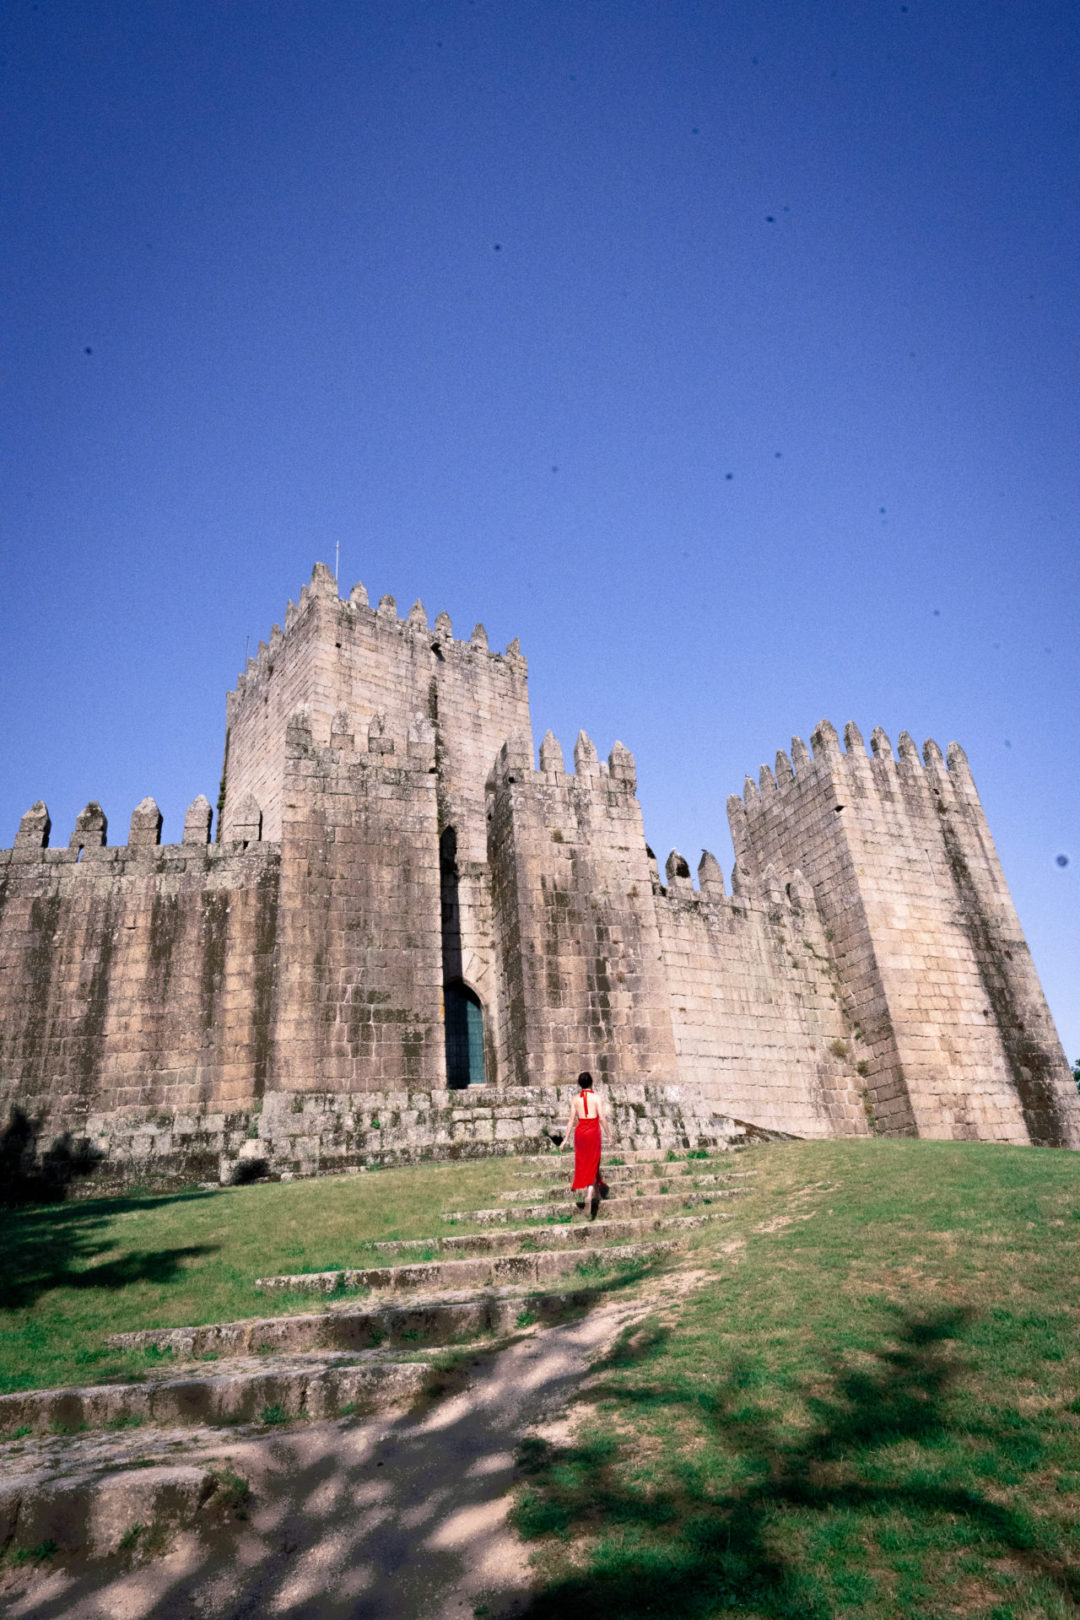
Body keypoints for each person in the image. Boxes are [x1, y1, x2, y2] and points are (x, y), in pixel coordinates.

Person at [560, 1071, 609, 1217]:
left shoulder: (575, 1099)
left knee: (586, 1162)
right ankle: (589, 1194)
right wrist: (609, 1135)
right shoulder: (596, 1097)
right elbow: (602, 1118)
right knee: (593, 1161)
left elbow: (571, 1120)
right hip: (593, 1131)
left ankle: (598, 1193)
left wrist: (565, 1139)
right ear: (591, 1082)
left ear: (579, 1084)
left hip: (580, 1132)